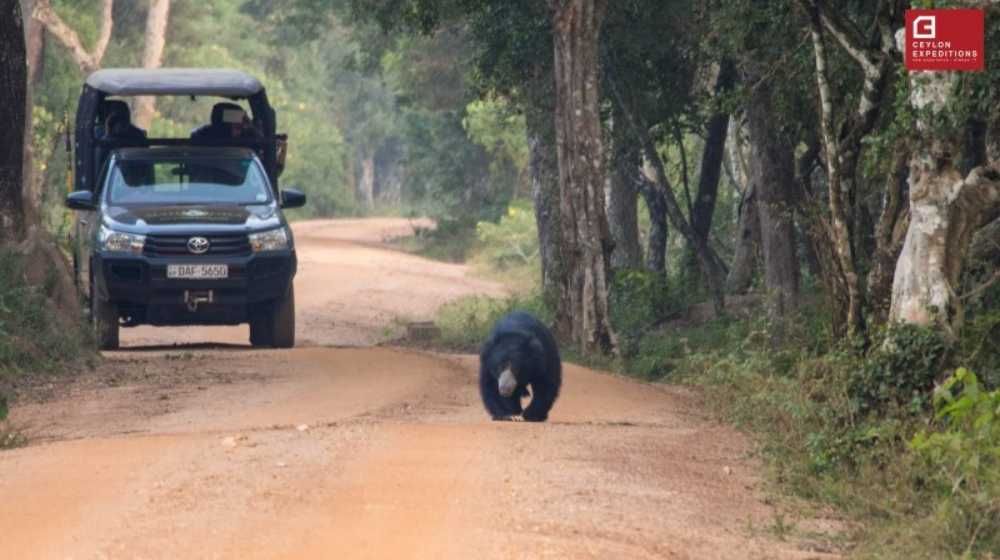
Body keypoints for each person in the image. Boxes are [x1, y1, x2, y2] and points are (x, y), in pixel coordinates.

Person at [191, 102, 261, 140]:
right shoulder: (202, 138)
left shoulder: (248, 137)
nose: (244, 128)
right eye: (238, 127)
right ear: (225, 128)